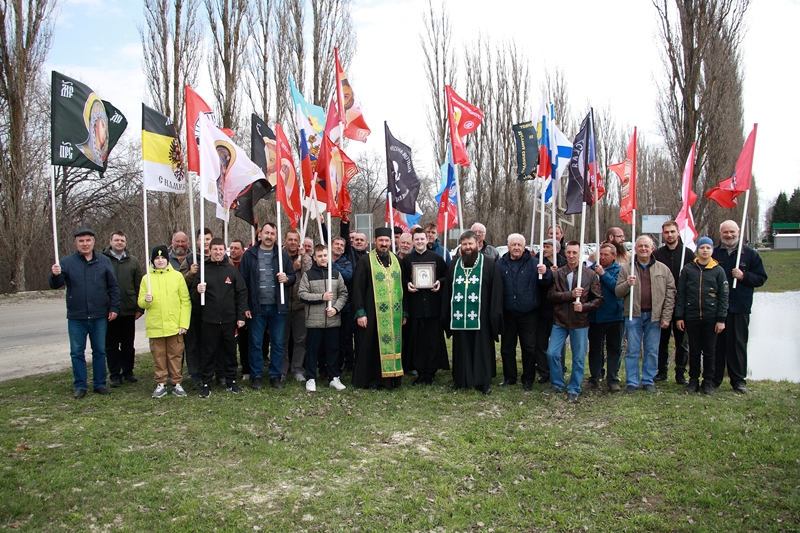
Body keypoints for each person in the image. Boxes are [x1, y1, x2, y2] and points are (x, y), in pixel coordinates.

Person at [49, 228, 120, 398]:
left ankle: (99, 384)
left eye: (88, 240)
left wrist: (114, 308)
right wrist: (55, 275)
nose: (85, 244)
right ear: (76, 243)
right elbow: (55, 284)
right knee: (76, 352)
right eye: (81, 241)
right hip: (77, 316)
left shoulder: (103, 261)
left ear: (93, 242)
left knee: (100, 351)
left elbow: (113, 287)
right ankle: (80, 385)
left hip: (98, 315)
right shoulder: (66, 262)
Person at [442, 230, 504, 395]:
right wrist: (446, 315)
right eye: (464, 244)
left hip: (482, 317)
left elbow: (496, 293)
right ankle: (460, 379)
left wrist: (494, 316)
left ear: (477, 244)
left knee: (481, 349)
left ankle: (482, 382)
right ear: (460, 247)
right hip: (459, 317)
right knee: (461, 348)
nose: (467, 247)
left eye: (470, 244)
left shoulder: (489, 265)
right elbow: (448, 291)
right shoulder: (454, 265)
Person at [543, 241, 604, 403]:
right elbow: (551, 295)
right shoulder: (557, 274)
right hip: (560, 320)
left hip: (580, 322)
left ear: (580, 254)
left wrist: (583, 307)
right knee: (552, 353)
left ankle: (574, 388)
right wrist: (570, 294)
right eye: (568, 252)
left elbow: (598, 299)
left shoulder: (590, 275)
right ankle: (557, 383)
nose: (571, 256)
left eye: (574, 253)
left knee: (578, 357)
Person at [711, 220, 767, 394]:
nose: (729, 235)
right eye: (725, 232)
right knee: (716, 344)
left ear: (738, 232)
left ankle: (738, 380)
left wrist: (744, 276)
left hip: (739, 306)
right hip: (717, 307)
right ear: (721, 234)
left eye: (732, 232)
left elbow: (761, 278)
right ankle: (714, 379)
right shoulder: (714, 254)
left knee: (738, 344)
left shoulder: (750, 255)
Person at [616, 235, 676, 394]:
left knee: (651, 350)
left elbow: (671, 294)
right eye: (640, 246)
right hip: (633, 315)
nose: (643, 249)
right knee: (632, 350)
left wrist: (666, 316)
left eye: (646, 246)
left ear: (652, 249)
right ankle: (632, 382)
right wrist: (627, 284)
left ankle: (648, 380)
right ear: (635, 248)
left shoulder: (663, 269)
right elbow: (618, 292)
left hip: (654, 317)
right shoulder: (626, 268)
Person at [240, 222, 296, 390]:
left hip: (277, 307)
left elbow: (293, 276)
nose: (269, 236)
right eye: (266, 233)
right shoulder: (249, 255)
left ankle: (275, 375)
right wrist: (245, 306)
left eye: (272, 233)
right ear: (260, 235)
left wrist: (286, 279)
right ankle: (256, 374)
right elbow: (242, 283)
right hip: (256, 307)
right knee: (256, 343)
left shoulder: (281, 255)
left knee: (278, 343)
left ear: (275, 236)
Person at [192, 238, 248, 398]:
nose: (217, 252)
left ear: (225, 251)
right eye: (214, 249)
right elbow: (193, 297)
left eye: (220, 249)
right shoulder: (202, 271)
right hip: (209, 320)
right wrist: (198, 290)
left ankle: (231, 380)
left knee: (230, 351)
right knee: (208, 353)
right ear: (209, 251)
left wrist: (240, 316)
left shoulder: (231, 271)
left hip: (229, 321)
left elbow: (241, 293)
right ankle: (206, 383)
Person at [352, 228, 406, 390]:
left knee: (394, 345)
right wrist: (360, 313)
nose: (384, 244)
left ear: (391, 242)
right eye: (381, 241)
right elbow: (358, 288)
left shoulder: (397, 261)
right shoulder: (365, 261)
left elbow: (402, 288)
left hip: (393, 315)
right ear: (375, 241)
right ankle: (372, 381)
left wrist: (404, 312)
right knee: (371, 346)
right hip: (372, 313)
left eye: (387, 241)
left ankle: (391, 379)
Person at [674, 237, 729, 395]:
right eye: (702, 247)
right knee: (694, 350)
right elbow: (681, 295)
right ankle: (693, 380)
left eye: (708, 248)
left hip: (711, 317)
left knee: (710, 351)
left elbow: (724, 297)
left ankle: (708, 381)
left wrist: (721, 319)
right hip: (691, 317)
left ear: (712, 250)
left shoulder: (718, 270)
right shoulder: (688, 269)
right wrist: (679, 316)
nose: (705, 250)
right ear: (697, 249)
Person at [496, 233, 551, 390]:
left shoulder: (535, 264)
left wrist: (546, 273)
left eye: (519, 245)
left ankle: (528, 379)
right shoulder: (500, 264)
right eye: (513, 244)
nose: (516, 247)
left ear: (524, 246)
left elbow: (546, 283)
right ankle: (509, 377)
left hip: (529, 314)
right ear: (508, 246)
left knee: (529, 348)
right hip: (508, 314)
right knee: (507, 348)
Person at [138, 246, 192, 398]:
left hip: (174, 326)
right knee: (159, 355)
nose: (160, 261)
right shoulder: (146, 278)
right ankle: (161, 382)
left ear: (167, 259)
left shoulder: (177, 277)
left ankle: (176, 382)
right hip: (156, 326)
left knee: (175, 355)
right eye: (157, 258)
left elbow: (185, 301)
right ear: (153, 260)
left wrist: (183, 324)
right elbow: (141, 302)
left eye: (163, 258)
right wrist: (146, 301)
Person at [401, 228, 449, 385]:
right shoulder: (406, 261)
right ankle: (420, 372)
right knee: (418, 342)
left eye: (423, 239)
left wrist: (439, 283)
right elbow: (401, 280)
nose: (420, 242)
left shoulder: (437, 258)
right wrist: (407, 284)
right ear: (413, 241)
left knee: (433, 342)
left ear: (427, 240)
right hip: (415, 308)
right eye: (417, 239)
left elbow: (446, 276)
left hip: (433, 306)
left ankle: (431, 373)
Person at [297, 244, 349, 392]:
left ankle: (334, 377)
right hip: (314, 321)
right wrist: (322, 297)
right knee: (313, 350)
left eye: (325, 255)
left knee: (333, 349)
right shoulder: (308, 275)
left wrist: (336, 308)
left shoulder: (336, 274)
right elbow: (302, 294)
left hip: (332, 320)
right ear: (314, 257)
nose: (323, 258)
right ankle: (311, 378)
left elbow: (343, 293)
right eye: (320, 256)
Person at [653, 220, 695, 384]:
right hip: (661, 304)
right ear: (663, 234)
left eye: (672, 232)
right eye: (666, 232)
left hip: (682, 304)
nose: (669, 235)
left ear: (678, 233)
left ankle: (680, 373)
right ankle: (662, 371)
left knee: (682, 341)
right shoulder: (657, 255)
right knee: (661, 341)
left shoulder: (688, 253)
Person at [103, 231, 144, 387]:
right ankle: (115, 374)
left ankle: (128, 371)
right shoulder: (103, 259)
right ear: (110, 241)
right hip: (109, 310)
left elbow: (139, 284)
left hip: (128, 309)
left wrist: (139, 307)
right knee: (112, 344)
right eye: (116, 240)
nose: (119, 243)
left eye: (122, 240)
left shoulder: (132, 261)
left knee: (128, 343)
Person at [587, 243, 624, 392]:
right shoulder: (591, 270)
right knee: (595, 348)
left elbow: (618, 289)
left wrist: (603, 274)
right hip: (595, 315)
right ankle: (595, 377)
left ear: (614, 256)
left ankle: (612, 378)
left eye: (606, 255)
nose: (602, 257)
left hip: (614, 315)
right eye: (600, 254)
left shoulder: (620, 271)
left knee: (614, 348)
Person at [534, 239, 567, 384]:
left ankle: (558, 370)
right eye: (544, 246)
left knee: (558, 344)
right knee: (541, 343)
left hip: (559, 310)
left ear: (557, 249)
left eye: (548, 247)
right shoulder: (538, 260)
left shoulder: (564, 262)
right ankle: (543, 371)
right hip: (542, 308)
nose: (545, 249)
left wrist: (556, 273)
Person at [282, 229, 312, 382]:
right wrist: (291, 270)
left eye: (295, 240)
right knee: (282, 339)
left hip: (300, 305)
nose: (293, 242)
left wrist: (305, 258)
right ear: (285, 240)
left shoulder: (305, 258)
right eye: (290, 239)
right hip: (283, 305)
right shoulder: (279, 257)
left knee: (300, 340)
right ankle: (282, 369)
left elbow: (310, 277)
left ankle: (298, 369)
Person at [330, 236, 354, 373]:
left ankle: (348, 363)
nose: (339, 246)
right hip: (327, 305)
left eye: (341, 245)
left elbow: (346, 276)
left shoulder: (346, 263)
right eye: (336, 244)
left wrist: (333, 264)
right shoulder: (322, 260)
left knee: (345, 338)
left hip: (344, 306)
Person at [229, 239, 250, 378]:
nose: (233, 250)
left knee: (244, 341)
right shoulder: (226, 266)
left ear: (243, 250)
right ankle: (229, 369)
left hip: (243, 308)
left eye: (236, 248)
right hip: (228, 308)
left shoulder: (246, 265)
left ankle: (246, 369)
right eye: (231, 248)